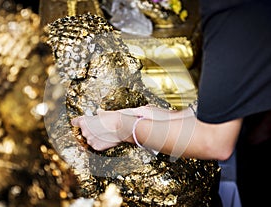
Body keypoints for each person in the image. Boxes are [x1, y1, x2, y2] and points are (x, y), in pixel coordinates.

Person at [71, 0, 271, 206]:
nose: (134, 65)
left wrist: (122, 127)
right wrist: (162, 115)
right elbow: (239, 85)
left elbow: (214, 141)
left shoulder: (231, 9)